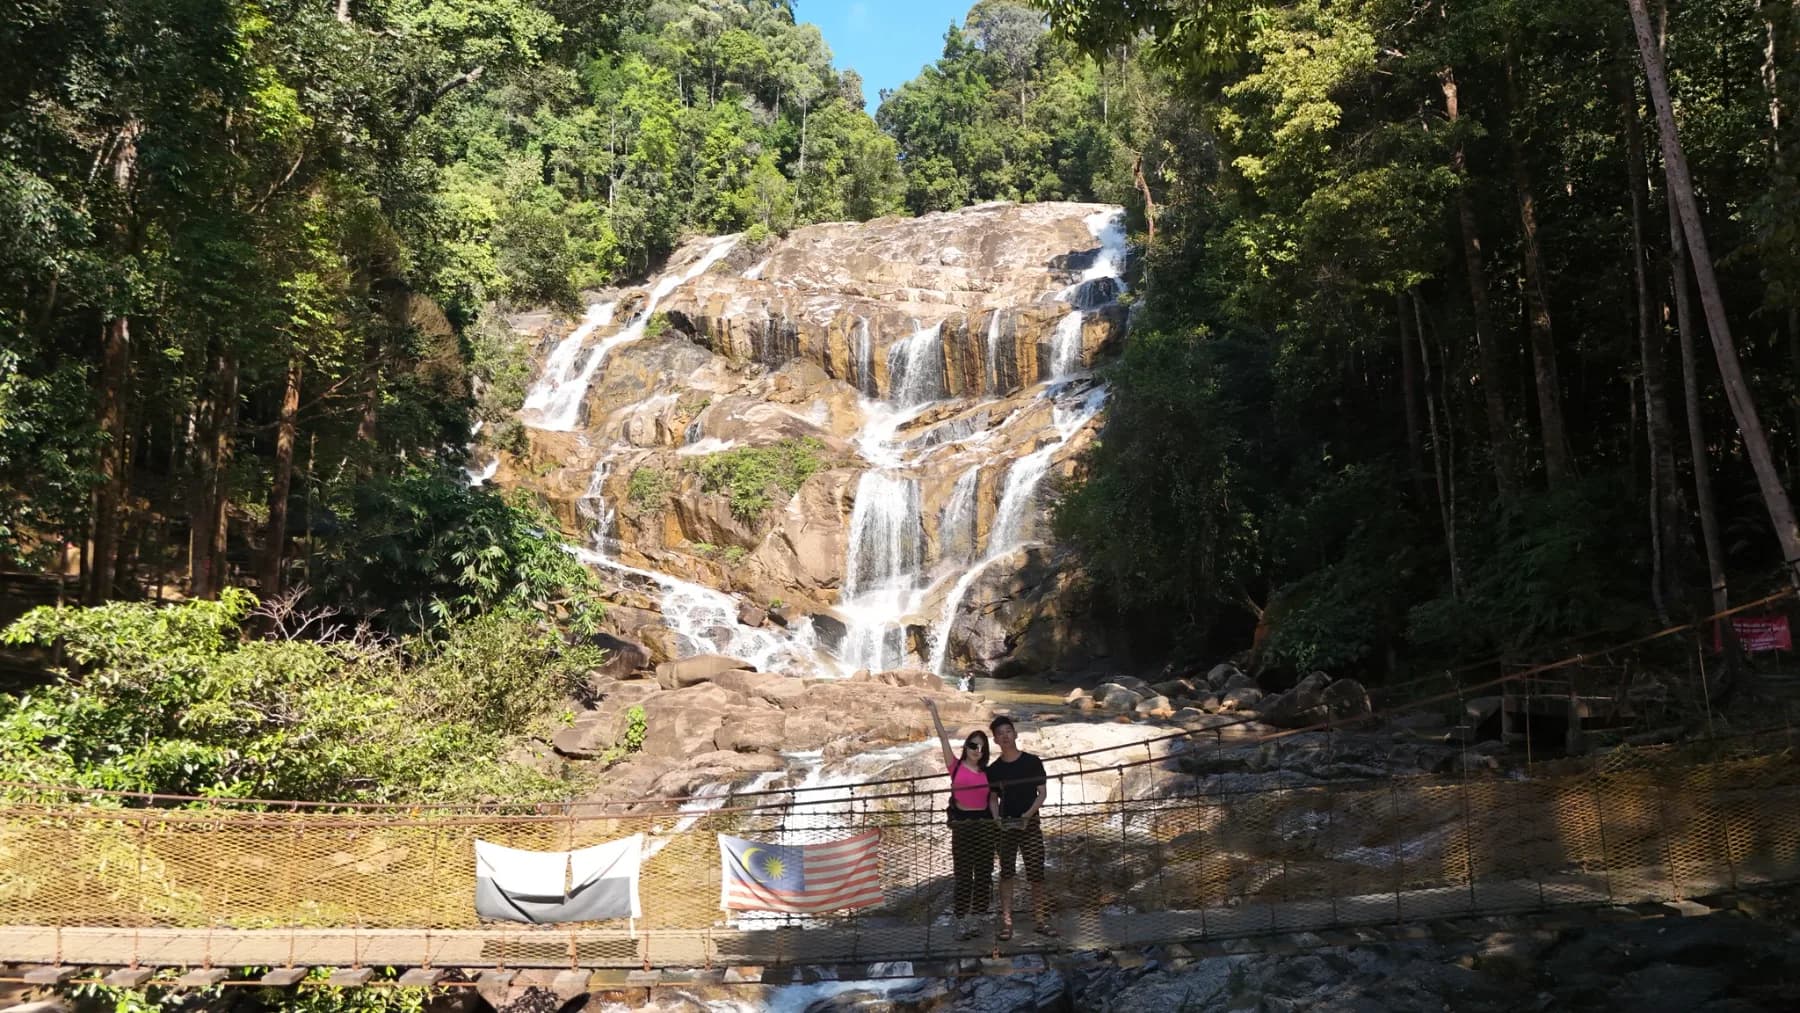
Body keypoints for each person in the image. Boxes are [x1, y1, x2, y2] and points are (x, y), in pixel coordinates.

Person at [924, 697, 993, 941]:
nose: (978, 750)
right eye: (974, 746)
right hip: (963, 825)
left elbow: (994, 800)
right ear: (966, 746)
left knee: (984, 875)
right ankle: (961, 920)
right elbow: (943, 739)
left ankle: (978, 919)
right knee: (964, 875)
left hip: (985, 825)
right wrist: (934, 711)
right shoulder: (955, 767)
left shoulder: (988, 772)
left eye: (982, 747)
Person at [985, 714, 1055, 940]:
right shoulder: (994, 769)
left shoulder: (1032, 762)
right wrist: (996, 819)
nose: (1004, 736)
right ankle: (1007, 923)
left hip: (1030, 824)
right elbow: (992, 799)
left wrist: (1027, 815)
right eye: (999, 734)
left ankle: (1041, 920)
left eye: (1008, 731)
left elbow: (1042, 794)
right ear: (995, 740)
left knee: (1036, 873)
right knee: (1006, 874)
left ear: (1015, 734)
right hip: (1004, 826)